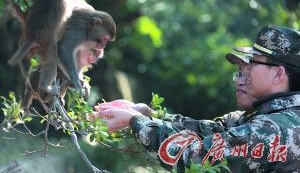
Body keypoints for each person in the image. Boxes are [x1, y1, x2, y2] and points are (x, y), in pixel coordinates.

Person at [94, 25, 300, 172]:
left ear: (278, 74)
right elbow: (209, 130)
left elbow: (193, 157)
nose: (245, 69)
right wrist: (146, 115)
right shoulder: (271, 116)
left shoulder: (275, 128)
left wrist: (134, 122)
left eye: (254, 63)